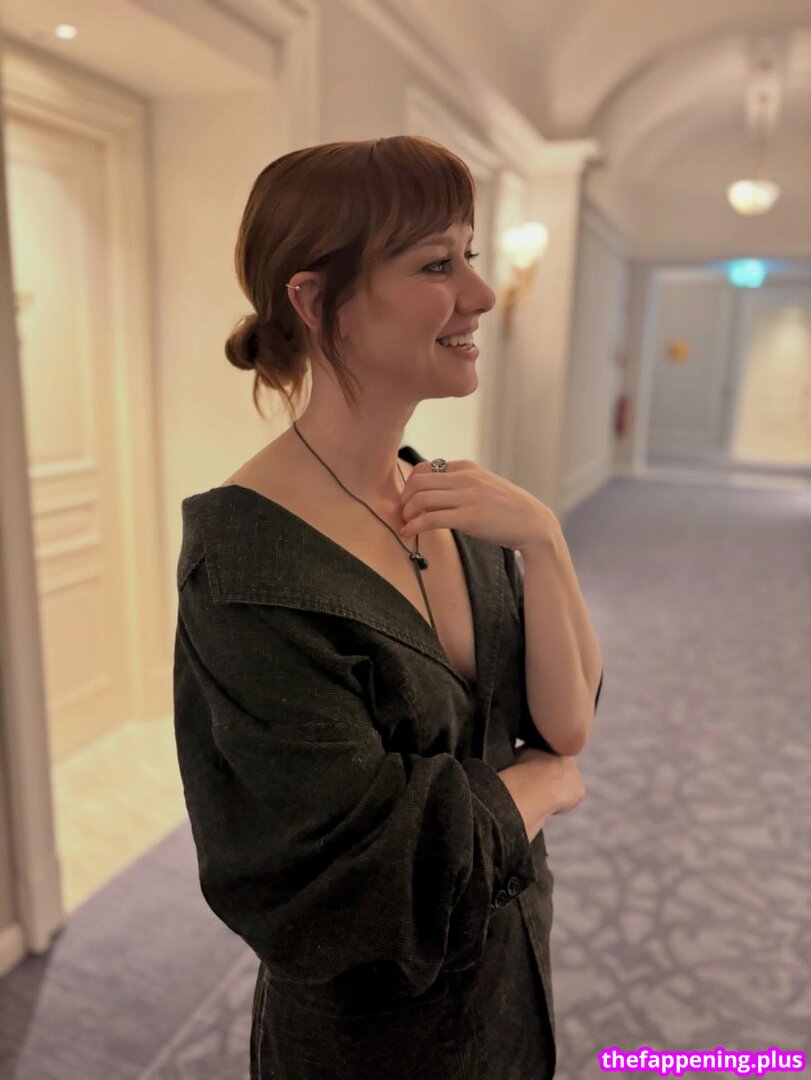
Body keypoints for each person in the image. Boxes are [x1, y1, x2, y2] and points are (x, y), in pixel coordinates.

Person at [173, 135, 600, 1080]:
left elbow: (564, 727)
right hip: (372, 1037)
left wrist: (543, 539)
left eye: (470, 256)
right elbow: (348, 880)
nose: (480, 295)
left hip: (510, 974)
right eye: (435, 265)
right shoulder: (247, 565)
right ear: (315, 300)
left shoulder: (447, 498)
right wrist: (539, 789)